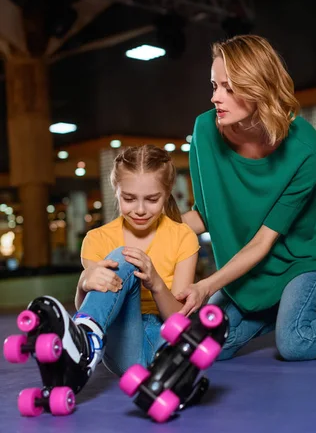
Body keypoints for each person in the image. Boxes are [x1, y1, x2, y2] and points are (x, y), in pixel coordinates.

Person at [178, 34, 316, 362]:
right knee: (210, 349)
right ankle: (314, 312)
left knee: (295, 341)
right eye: (214, 86)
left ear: (258, 86)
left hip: (307, 255)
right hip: (252, 265)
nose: (215, 98)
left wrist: (207, 285)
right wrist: (144, 233)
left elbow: (263, 242)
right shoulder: (204, 131)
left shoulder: (307, 149)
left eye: (228, 87)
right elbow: (205, 213)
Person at [14, 145, 199, 388]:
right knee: (122, 257)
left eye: (152, 199)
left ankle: (83, 344)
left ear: (166, 193)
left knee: (125, 258)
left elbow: (178, 320)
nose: (140, 210)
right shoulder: (97, 240)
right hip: (123, 340)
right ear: (116, 191)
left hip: (166, 342)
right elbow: (95, 308)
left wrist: (155, 283)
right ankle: (83, 343)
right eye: (129, 198)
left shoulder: (183, 236)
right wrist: (83, 283)